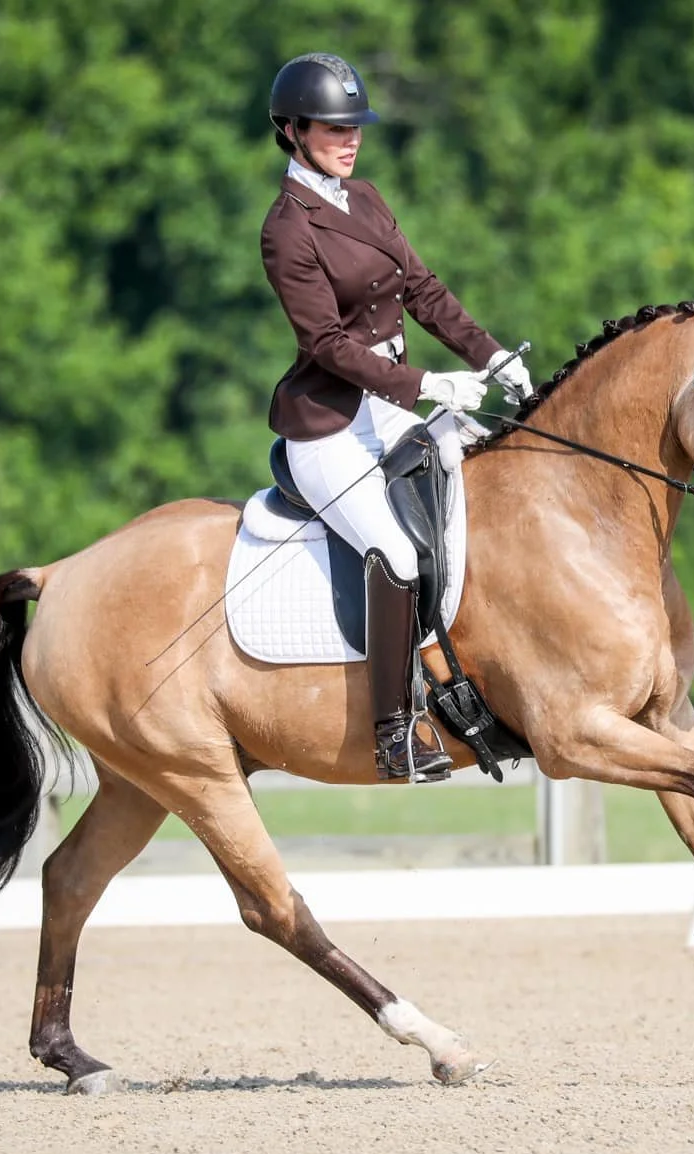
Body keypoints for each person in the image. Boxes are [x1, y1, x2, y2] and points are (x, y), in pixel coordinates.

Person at [261, 52, 533, 782]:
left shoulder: (367, 198)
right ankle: (393, 731)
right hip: (329, 425)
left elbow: (423, 288)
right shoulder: (288, 229)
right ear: (290, 130)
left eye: (355, 127)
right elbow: (324, 344)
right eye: (331, 128)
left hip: (389, 408)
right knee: (399, 551)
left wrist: (491, 355)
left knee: (488, 488)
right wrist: (427, 385)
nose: (350, 140)